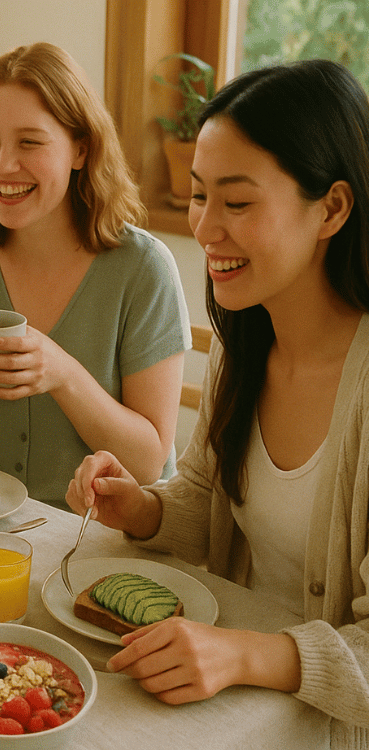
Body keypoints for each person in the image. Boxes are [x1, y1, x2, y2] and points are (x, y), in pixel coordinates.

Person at [66, 59, 369, 745]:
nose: (204, 229)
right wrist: (140, 508)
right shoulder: (245, 338)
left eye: (237, 203)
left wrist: (248, 653)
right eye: (200, 196)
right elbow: (209, 502)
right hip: (229, 707)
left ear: (334, 208)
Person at [0, 43, 189, 510]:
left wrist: (62, 374)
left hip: (109, 532)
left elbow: (147, 461)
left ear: (81, 149)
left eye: (30, 141)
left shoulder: (144, 268)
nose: (2, 166)